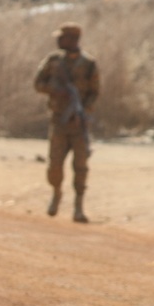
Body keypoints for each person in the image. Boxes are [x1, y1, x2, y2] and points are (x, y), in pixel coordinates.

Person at [33, 22, 99, 223]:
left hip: (79, 125)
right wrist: (56, 89)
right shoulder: (53, 61)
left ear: (73, 40)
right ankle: (56, 193)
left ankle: (78, 207)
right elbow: (38, 84)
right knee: (55, 166)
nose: (59, 40)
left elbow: (95, 93)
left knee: (81, 166)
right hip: (58, 121)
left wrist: (84, 112)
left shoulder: (88, 64)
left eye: (63, 37)